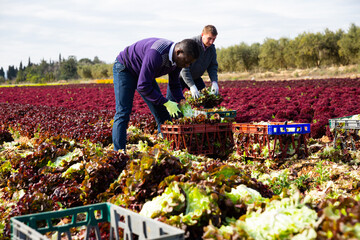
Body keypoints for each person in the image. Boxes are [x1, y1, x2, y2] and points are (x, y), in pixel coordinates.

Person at [112, 38, 200, 151]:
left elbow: (174, 84)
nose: (187, 65)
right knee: (123, 112)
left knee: (162, 113)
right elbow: (143, 86)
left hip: (144, 73)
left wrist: (181, 100)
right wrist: (166, 102)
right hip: (125, 68)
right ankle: (119, 152)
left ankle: (169, 149)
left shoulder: (178, 61)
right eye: (187, 61)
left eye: (190, 63)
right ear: (178, 52)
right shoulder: (156, 54)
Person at [167, 25, 219, 100]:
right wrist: (192, 86)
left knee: (208, 100)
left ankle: (204, 112)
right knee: (171, 102)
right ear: (202, 35)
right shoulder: (191, 44)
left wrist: (214, 82)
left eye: (214, 39)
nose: (211, 42)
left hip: (195, 78)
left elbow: (212, 66)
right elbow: (184, 68)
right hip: (178, 78)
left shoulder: (211, 49)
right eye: (209, 38)